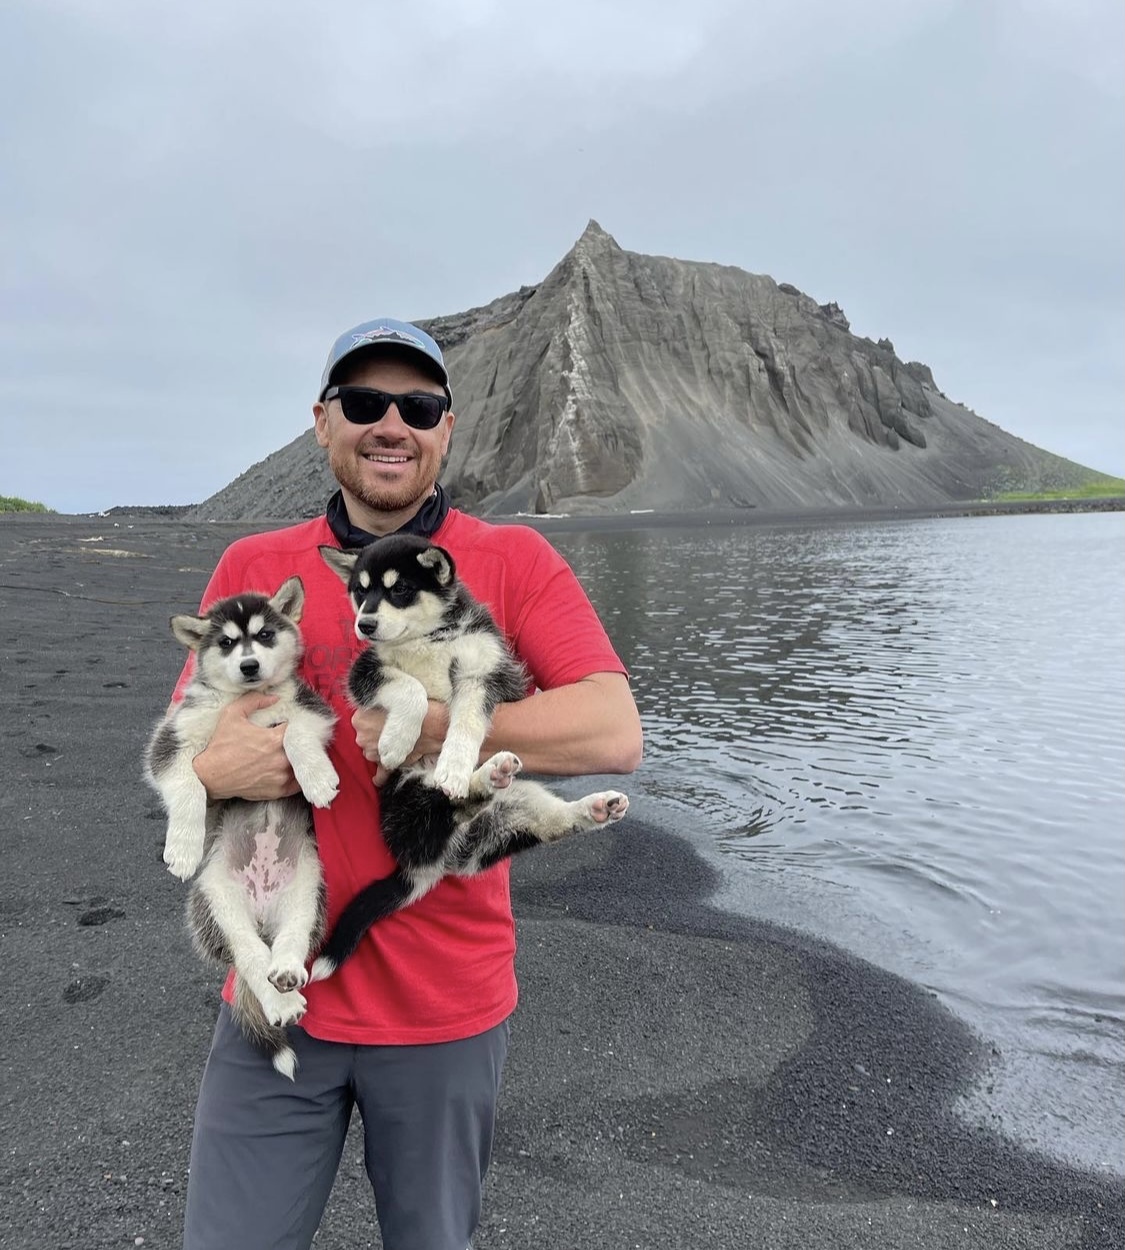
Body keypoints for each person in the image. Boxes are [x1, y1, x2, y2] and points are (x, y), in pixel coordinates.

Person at [176, 317, 644, 1250]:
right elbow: (190, 738)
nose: (391, 423)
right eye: (363, 403)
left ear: (445, 428)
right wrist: (208, 769)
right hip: (276, 990)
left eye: (417, 406)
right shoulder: (253, 569)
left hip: (443, 1008)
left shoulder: (514, 560)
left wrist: (444, 727)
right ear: (322, 422)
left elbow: (612, 731)